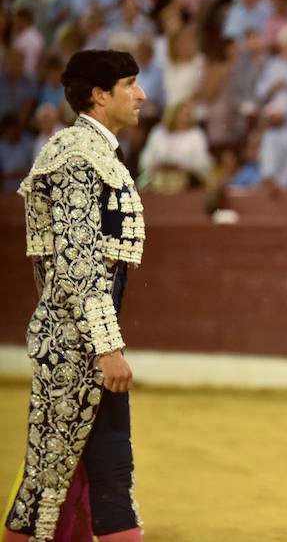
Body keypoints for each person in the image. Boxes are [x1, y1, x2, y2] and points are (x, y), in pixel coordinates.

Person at [4, 49, 147, 542]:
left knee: (89, 473)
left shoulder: (93, 153)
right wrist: (108, 348)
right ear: (100, 96)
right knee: (51, 482)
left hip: (78, 342)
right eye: (130, 84)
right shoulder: (77, 157)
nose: (141, 95)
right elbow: (78, 262)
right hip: (75, 348)